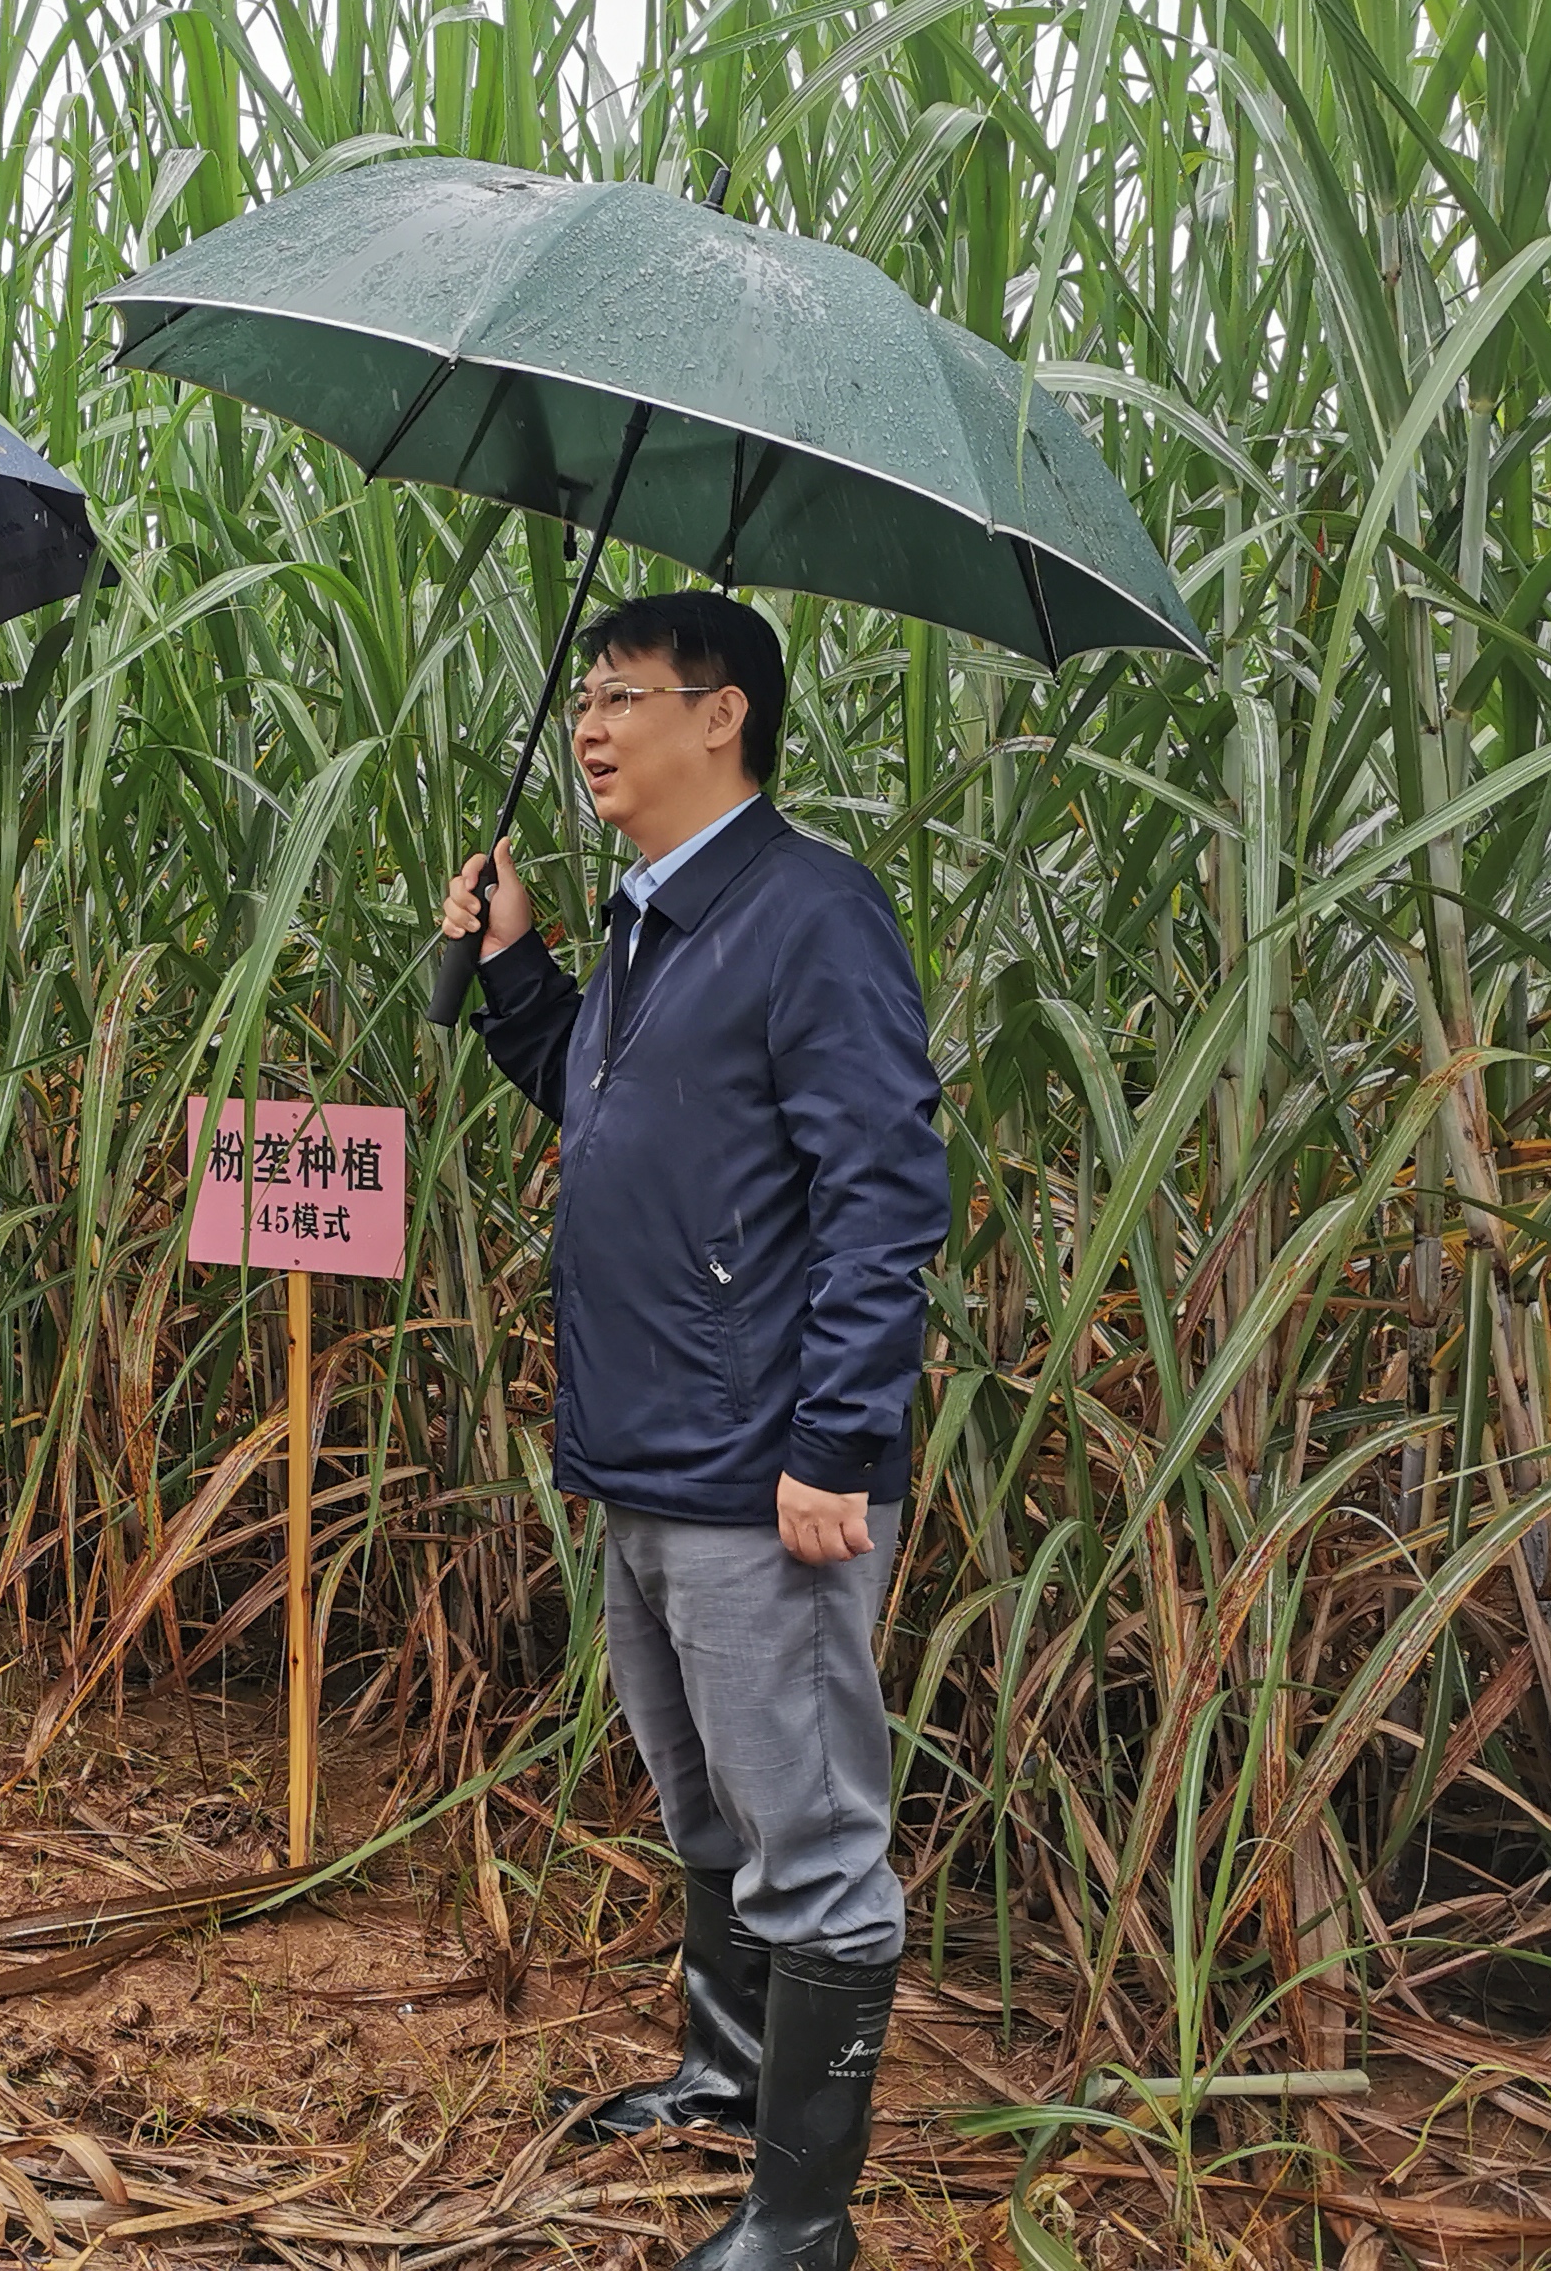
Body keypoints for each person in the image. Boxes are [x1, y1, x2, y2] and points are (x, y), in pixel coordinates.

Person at [438, 590, 948, 2271]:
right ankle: (726, 2074)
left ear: (720, 717)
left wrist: (833, 1439)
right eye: (581, 694)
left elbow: (884, 1196)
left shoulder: (810, 916)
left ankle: (800, 2221)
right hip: (643, 1449)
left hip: (758, 1470)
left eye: (621, 695)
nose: (588, 725)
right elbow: (610, 1113)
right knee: (705, 1813)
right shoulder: (654, 923)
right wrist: (517, 973)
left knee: (810, 1842)